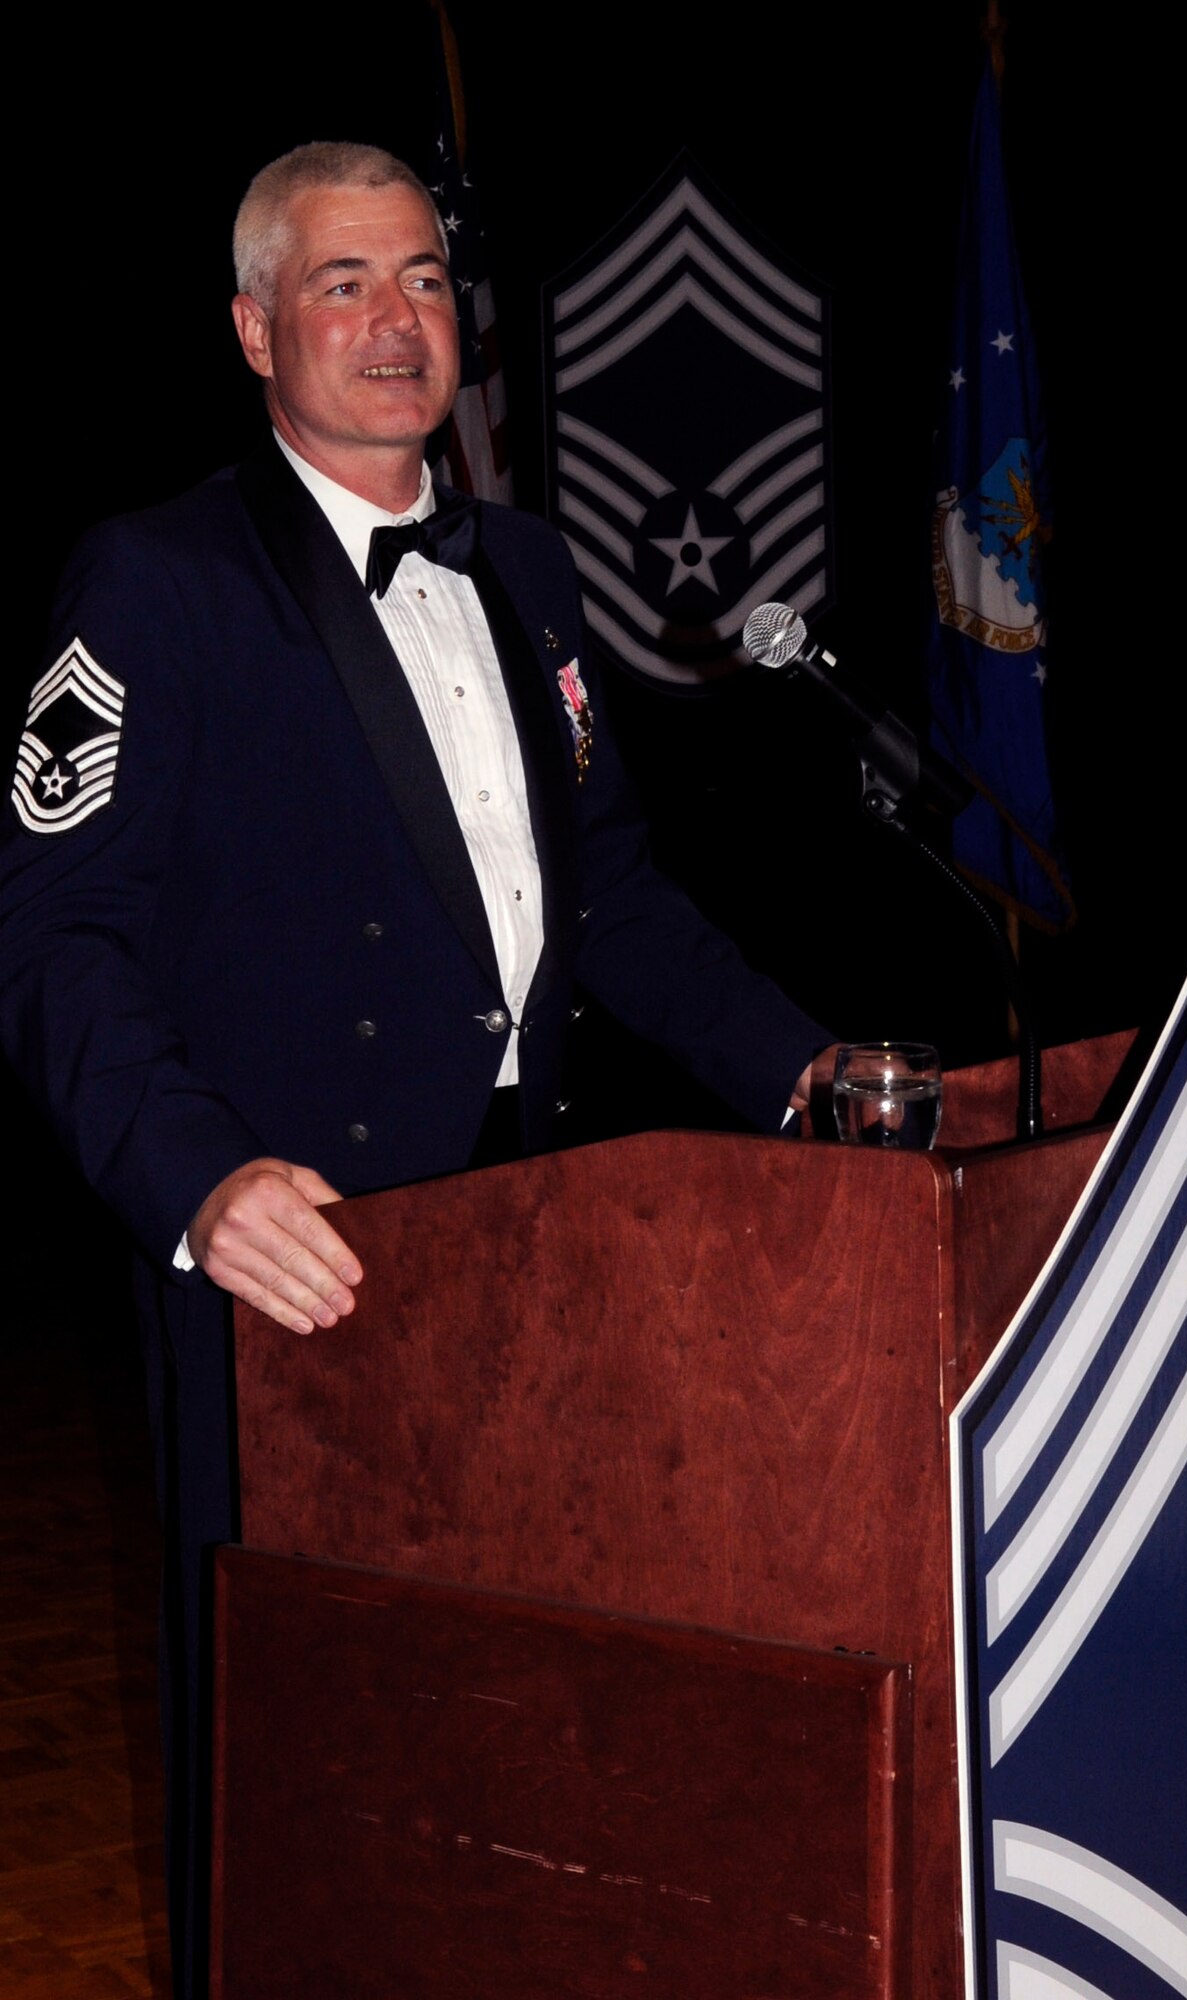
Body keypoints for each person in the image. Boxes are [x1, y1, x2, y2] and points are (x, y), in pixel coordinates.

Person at [0, 141, 830, 1993]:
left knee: (498, 1748)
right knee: (287, 1770)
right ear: (252, 328)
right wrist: (196, 1182)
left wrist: (809, 1075)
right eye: (342, 285)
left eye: (427, 283)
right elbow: (60, 943)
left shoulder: (527, 568)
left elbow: (611, 905)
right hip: (292, 1271)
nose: (396, 322)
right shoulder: (151, 583)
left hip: (527, 1255)